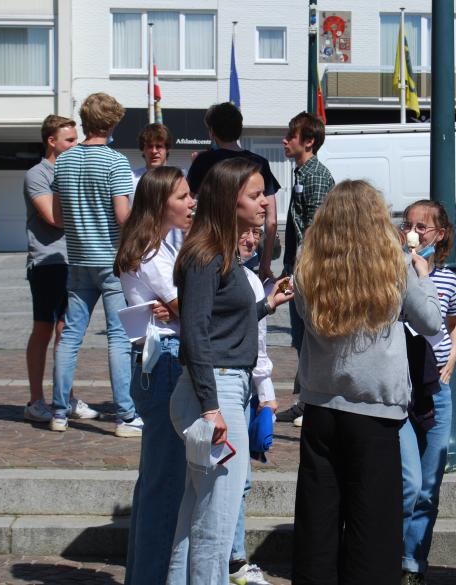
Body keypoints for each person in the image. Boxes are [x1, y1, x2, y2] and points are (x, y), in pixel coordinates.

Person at [291, 180, 442, 585]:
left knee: (317, 523)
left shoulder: (309, 260)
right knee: (373, 527)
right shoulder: (392, 262)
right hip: (375, 409)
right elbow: (430, 321)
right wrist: (423, 276)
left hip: (321, 404)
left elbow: (303, 314)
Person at [167, 157, 293, 584]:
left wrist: (267, 305)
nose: (265, 203)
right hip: (216, 391)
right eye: (255, 195)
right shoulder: (206, 256)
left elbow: (222, 325)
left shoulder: (221, 255)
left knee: (198, 512)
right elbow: (195, 334)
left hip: (223, 388)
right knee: (216, 521)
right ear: (228, 200)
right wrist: (211, 408)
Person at [115, 167, 195, 585]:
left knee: (156, 481)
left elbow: (181, 306)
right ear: (161, 202)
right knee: (165, 485)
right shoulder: (149, 251)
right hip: (161, 360)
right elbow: (190, 307)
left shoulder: (157, 246)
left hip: (158, 358)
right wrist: (178, 309)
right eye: (182, 197)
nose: (191, 203)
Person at [48, 92, 139, 438]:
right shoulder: (115, 162)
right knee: (119, 337)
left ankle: (59, 411)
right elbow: (122, 216)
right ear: (112, 123)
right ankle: (125, 416)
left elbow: (58, 216)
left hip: (78, 259)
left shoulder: (65, 161)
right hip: (111, 261)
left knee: (70, 336)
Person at [398, 200, 456, 585]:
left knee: (429, 485)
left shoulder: (449, 280)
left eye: (422, 227)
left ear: (440, 235)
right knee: (406, 481)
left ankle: (412, 563)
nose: (413, 233)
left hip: (436, 389)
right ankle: (389, 554)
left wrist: (452, 358)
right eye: (408, 225)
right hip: (401, 388)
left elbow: (455, 324)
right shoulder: (394, 273)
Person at [23, 115, 98, 423]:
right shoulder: (37, 174)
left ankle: (65, 397)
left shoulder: (74, 171)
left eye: (76, 139)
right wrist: (88, 210)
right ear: (51, 141)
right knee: (44, 329)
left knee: (67, 332)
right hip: (47, 262)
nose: (76, 144)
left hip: (75, 260)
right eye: (69, 140)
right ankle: (35, 401)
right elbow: (53, 216)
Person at [276, 111, 335, 426]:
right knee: (301, 339)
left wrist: (299, 273)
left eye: (291, 136)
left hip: (309, 273)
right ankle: (305, 401)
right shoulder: (302, 173)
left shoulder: (316, 176)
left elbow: (314, 229)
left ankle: (315, 403)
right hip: (297, 270)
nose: (285, 140)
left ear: (309, 141)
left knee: (313, 338)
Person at [186, 102, 281, 281]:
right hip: (248, 247)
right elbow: (272, 220)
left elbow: (186, 206)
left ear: (212, 131)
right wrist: (266, 263)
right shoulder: (259, 162)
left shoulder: (204, 161)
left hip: (211, 249)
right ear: (239, 129)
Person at [229, 226, 276, 585]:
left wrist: (266, 392)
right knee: (231, 479)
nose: (251, 240)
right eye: (243, 231)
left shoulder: (251, 280)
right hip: (219, 386)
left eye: (256, 233)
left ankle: (234, 559)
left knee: (241, 481)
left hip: (244, 386)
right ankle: (231, 560)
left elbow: (258, 344)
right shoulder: (205, 270)